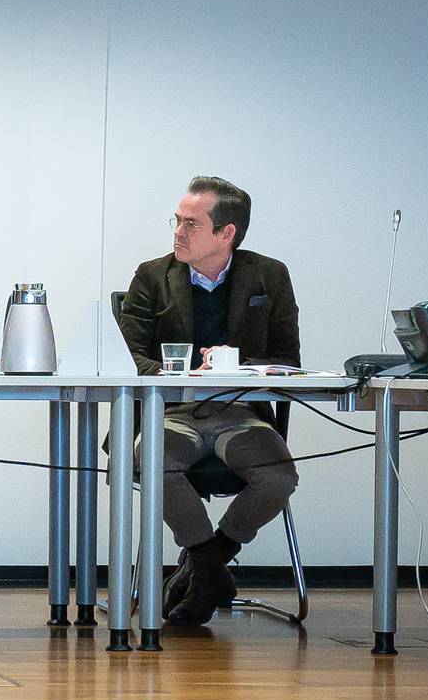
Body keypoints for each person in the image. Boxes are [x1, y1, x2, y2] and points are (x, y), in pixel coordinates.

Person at [113, 175, 303, 626]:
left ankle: (206, 565)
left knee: (277, 477)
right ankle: (209, 569)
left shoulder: (268, 276)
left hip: (239, 411)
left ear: (226, 234)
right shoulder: (152, 275)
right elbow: (127, 357)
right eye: (177, 221)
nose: (178, 232)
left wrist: (234, 365)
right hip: (172, 411)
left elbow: (287, 359)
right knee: (153, 462)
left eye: (191, 224)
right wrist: (174, 373)